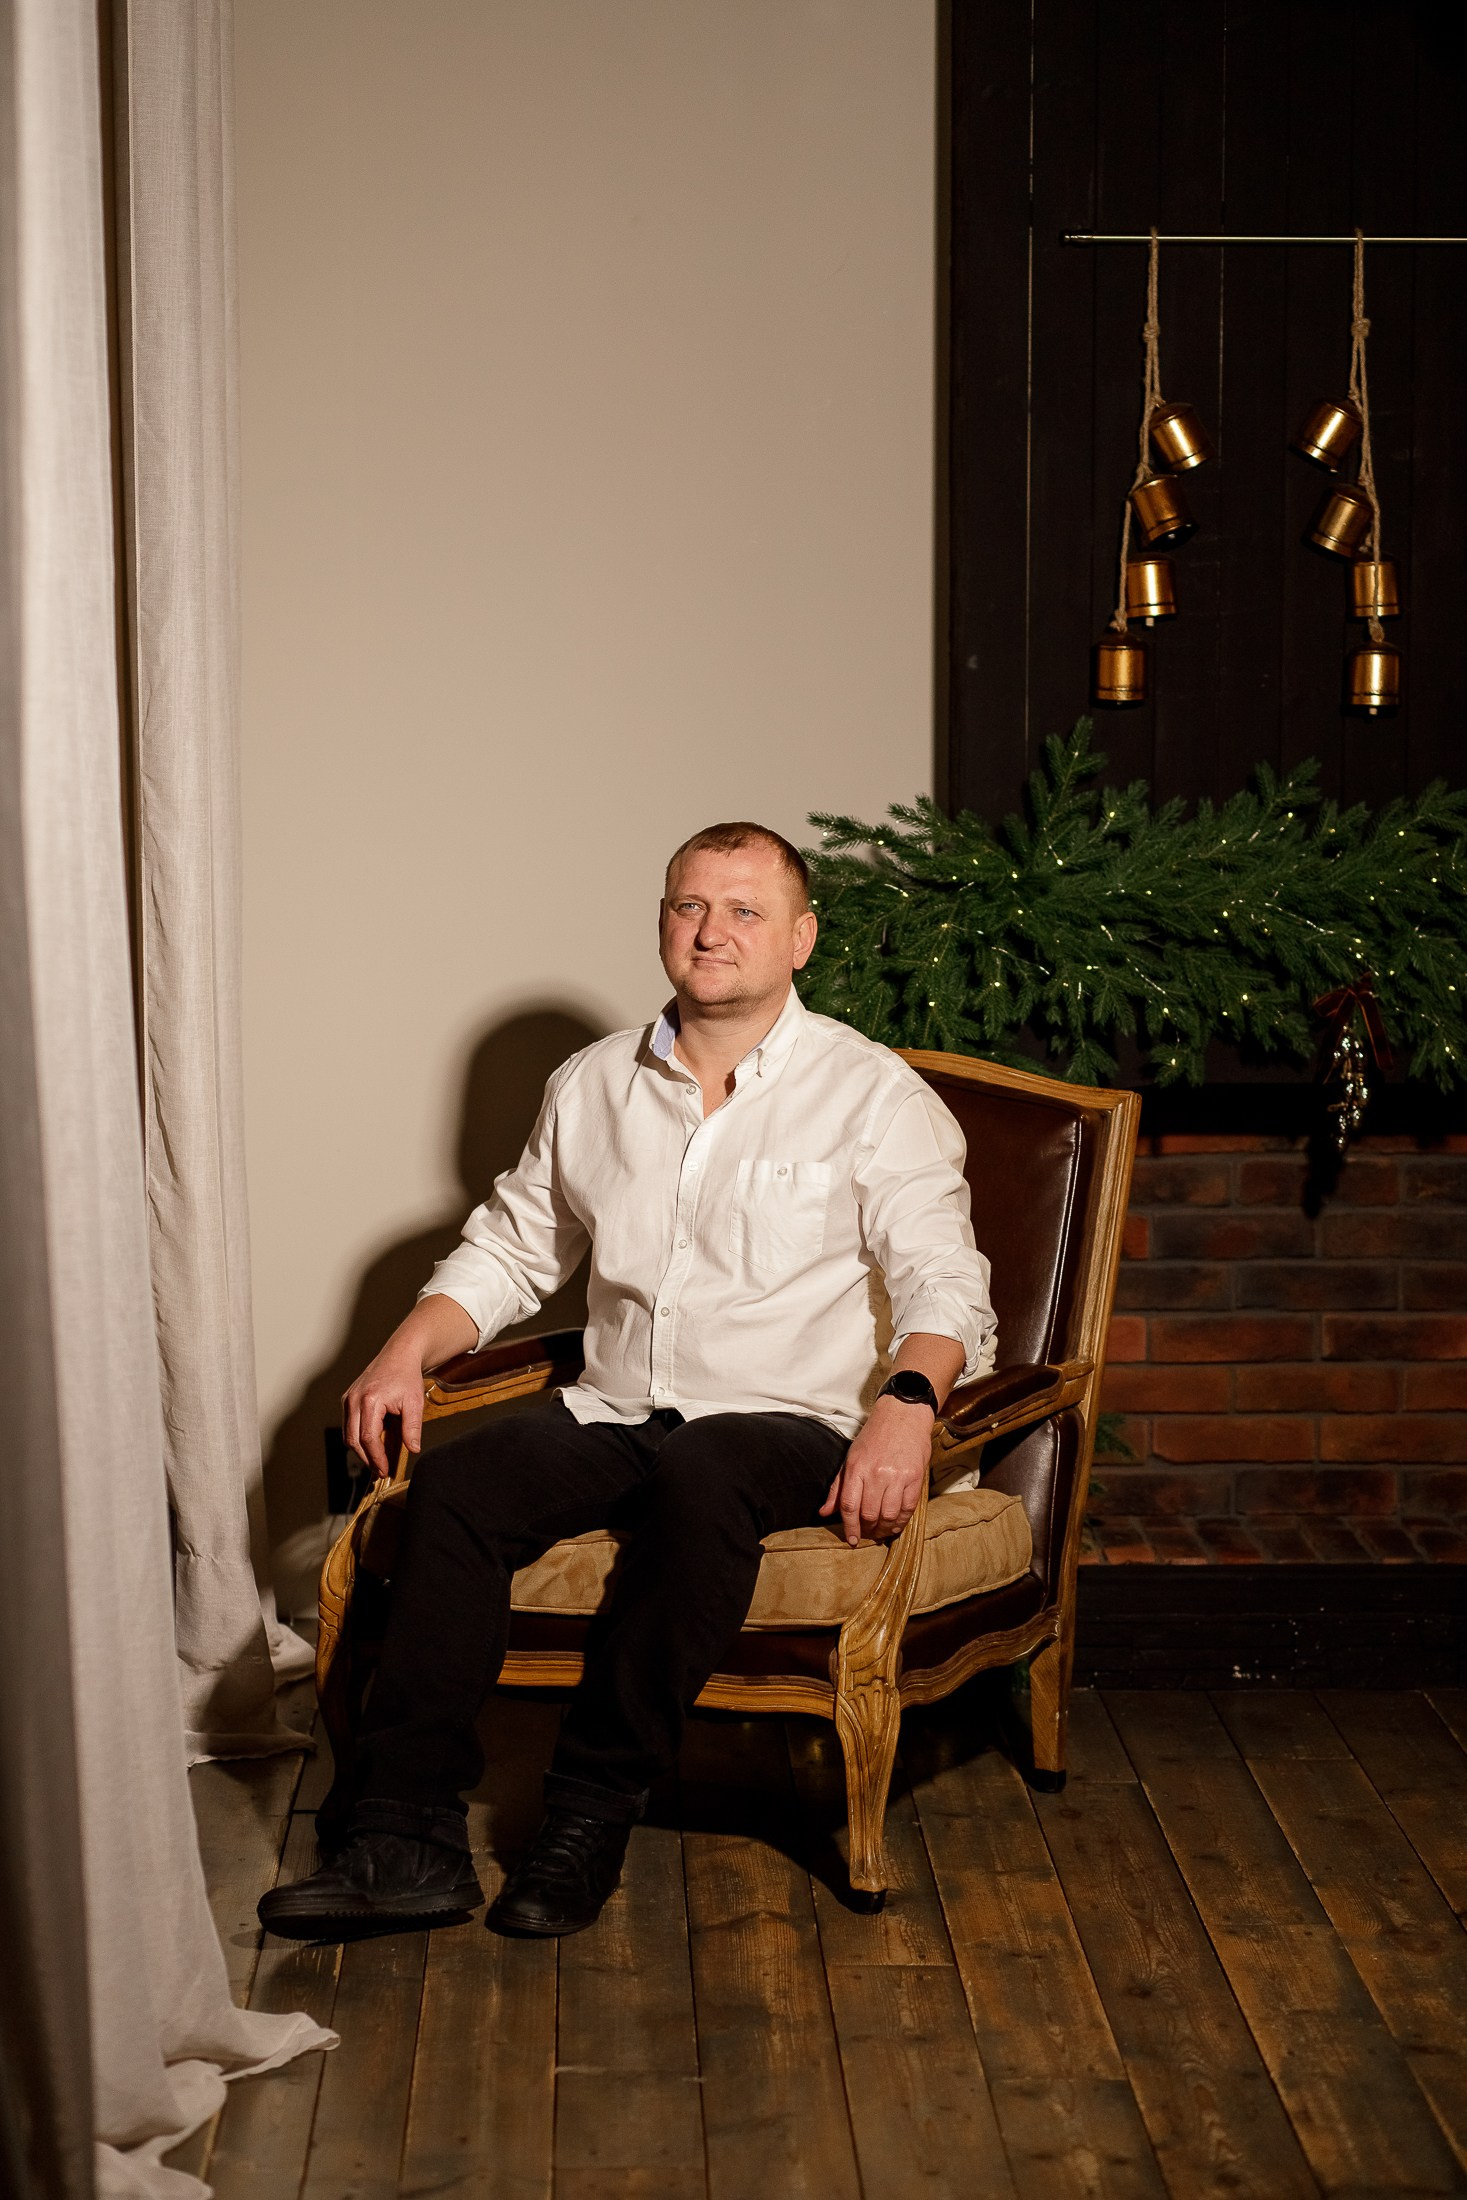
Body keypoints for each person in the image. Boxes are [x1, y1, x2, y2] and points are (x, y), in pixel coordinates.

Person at [259, 821, 995, 1943]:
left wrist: (907, 1408)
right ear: (662, 922)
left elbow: (946, 1280)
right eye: (688, 906)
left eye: (744, 910)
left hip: (789, 1422)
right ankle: (403, 1838)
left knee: (707, 1464)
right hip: (618, 1407)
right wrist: (402, 1350)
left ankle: (588, 1812)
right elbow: (511, 1250)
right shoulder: (594, 1082)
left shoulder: (871, 1094)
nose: (711, 931)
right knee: (456, 1489)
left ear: (800, 938)